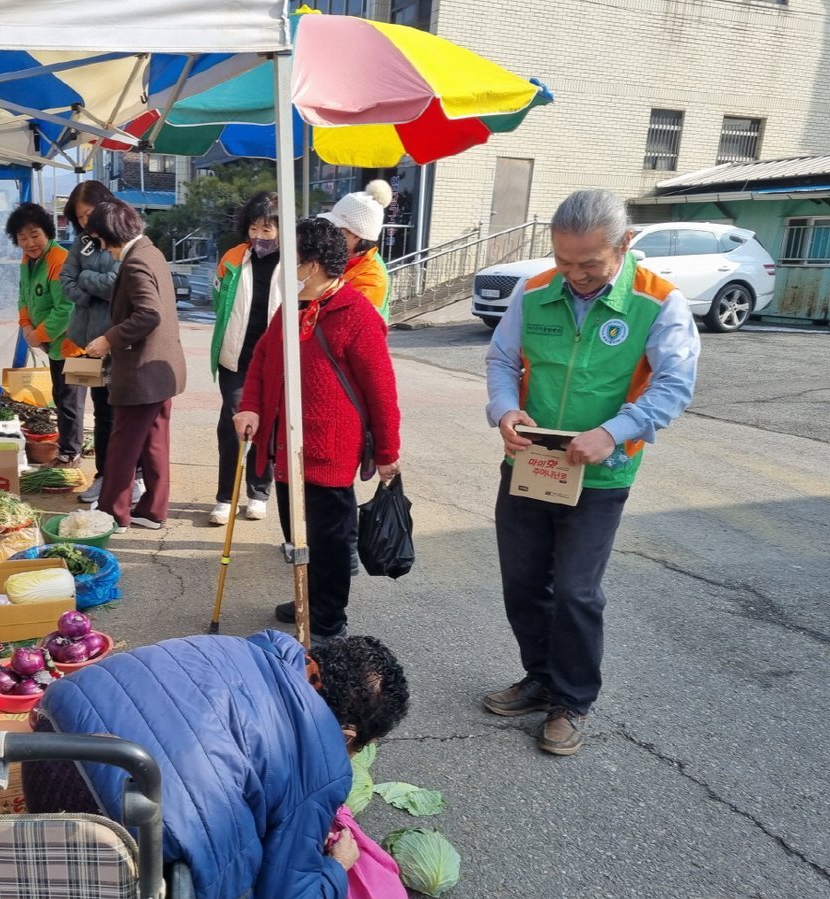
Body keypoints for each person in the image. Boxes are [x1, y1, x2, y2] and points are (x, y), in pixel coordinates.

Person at [484, 188, 700, 756]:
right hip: (530, 462)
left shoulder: (659, 302)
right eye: (564, 261)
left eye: (590, 264)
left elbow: (674, 385)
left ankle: (572, 699)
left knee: (576, 591)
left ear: (624, 244)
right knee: (523, 582)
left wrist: (614, 432)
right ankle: (540, 678)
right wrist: (504, 410)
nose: (575, 276)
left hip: (602, 474)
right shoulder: (534, 292)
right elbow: (502, 360)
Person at [38, 630, 410, 899]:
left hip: (46, 750)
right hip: (116, 845)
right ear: (346, 736)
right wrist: (336, 867)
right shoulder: (326, 763)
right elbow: (287, 892)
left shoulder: (238, 646)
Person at [234, 218, 401, 644]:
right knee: (296, 534)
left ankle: (328, 620)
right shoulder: (291, 309)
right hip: (284, 445)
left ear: (311, 264)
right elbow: (261, 360)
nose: (284, 265)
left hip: (329, 449)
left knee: (329, 543)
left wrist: (387, 452)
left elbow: (382, 390)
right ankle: (306, 598)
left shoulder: (356, 314)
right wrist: (250, 406)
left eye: (291, 257)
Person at [82, 200, 186, 531]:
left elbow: (149, 313)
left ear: (107, 234)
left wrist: (108, 339)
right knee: (155, 442)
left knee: (124, 445)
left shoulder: (136, 261)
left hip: (142, 372)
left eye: (98, 240)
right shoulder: (151, 251)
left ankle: (112, 513)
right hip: (162, 369)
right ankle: (152, 511)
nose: (102, 248)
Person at [59, 181, 144, 504]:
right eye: (79, 216)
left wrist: (86, 280)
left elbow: (118, 283)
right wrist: (89, 291)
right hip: (89, 344)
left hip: (120, 340)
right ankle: (104, 475)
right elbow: (66, 280)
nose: (85, 221)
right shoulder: (82, 242)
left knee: (127, 413)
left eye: (89, 214)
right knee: (102, 413)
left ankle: (134, 476)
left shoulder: (125, 236)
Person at [208, 190, 281, 526]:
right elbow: (217, 298)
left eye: (267, 229)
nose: (259, 236)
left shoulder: (294, 261)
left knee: (267, 426)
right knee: (232, 423)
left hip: (273, 361)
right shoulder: (234, 257)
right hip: (235, 358)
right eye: (254, 228)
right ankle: (226, 496)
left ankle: (258, 492)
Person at [6, 202, 85, 467]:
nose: (30, 243)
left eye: (35, 235)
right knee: (60, 396)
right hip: (53, 345)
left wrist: (39, 334)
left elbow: (67, 308)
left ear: (48, 232)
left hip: (75, 346)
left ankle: (70, 453)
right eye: (23, 238)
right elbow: (24, 297)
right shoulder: (28, 260)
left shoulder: (59, 259)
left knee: (71, 401)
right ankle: (67, 448)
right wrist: (26, 326)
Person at [319, 180, 393, 323]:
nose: (329, 234)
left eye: (337, 230)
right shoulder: (342, 257)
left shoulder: (373, 279)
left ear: (357, 236)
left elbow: (347, 323)